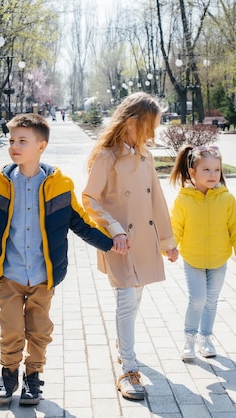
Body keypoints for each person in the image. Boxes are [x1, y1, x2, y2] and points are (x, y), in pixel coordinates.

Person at [0, 113, 118, 406]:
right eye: (11, 140)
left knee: (39, 329)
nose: (14, 146)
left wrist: (110, 244)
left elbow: (80, 221)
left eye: (22, 141)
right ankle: (8, 374)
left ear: (41, 146)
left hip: (43, 274)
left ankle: (33, 378)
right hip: (9, 273)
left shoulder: (59, 184)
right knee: (10, 327)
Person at [82, 92, 179, 401]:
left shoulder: (145, 155)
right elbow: (89, 199)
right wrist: (113, 229)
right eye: (150, 126)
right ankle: (128, 368)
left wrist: (167, 241)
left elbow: (157, 202)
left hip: (144, 242)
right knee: (126, 300)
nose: (153, 133)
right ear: (133, 122)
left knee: (135, 298)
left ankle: (124, 346)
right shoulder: (106, 156)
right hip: (119, 243)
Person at [169, 144, 236, 360]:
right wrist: (170, 247)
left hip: (218, 259)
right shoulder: (183, 199)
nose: (213, 174)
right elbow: (175, 226)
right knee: (197, 299)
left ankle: (205, 338)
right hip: (193, 258)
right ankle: (189, 339)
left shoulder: (227, 199)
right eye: (206, 170)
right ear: (192, 172)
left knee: (211, 301)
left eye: (217, 170)